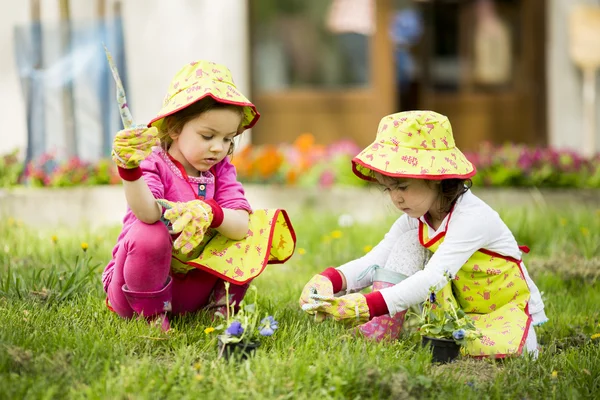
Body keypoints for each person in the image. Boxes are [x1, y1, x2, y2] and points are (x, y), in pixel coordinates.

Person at [299, 110, 548, 358]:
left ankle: (522, 339)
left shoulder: (471, 218)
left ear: (436, 178)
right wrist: (330, 279)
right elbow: (376, 260)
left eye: (403, 187)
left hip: (502, 307)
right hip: (458, 307)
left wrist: (369, 304)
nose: (396, 198)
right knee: (407, 243)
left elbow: (432, 278)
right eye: (388, 189)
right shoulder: (415, 218)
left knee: (508, 349)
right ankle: (381, 331)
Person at [103, 60, 296, 331]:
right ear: (174, 128)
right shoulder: (154, 161)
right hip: (136, 288)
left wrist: (210, 212)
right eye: (208, 136)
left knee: (256, 227)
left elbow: (241, 226)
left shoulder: (221, 170)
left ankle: (218, 309)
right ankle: (151, 317)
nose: (219, 148)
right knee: (150, 232)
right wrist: (129, 168)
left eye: (228, 139)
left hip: (190, 290)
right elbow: (147, 213)